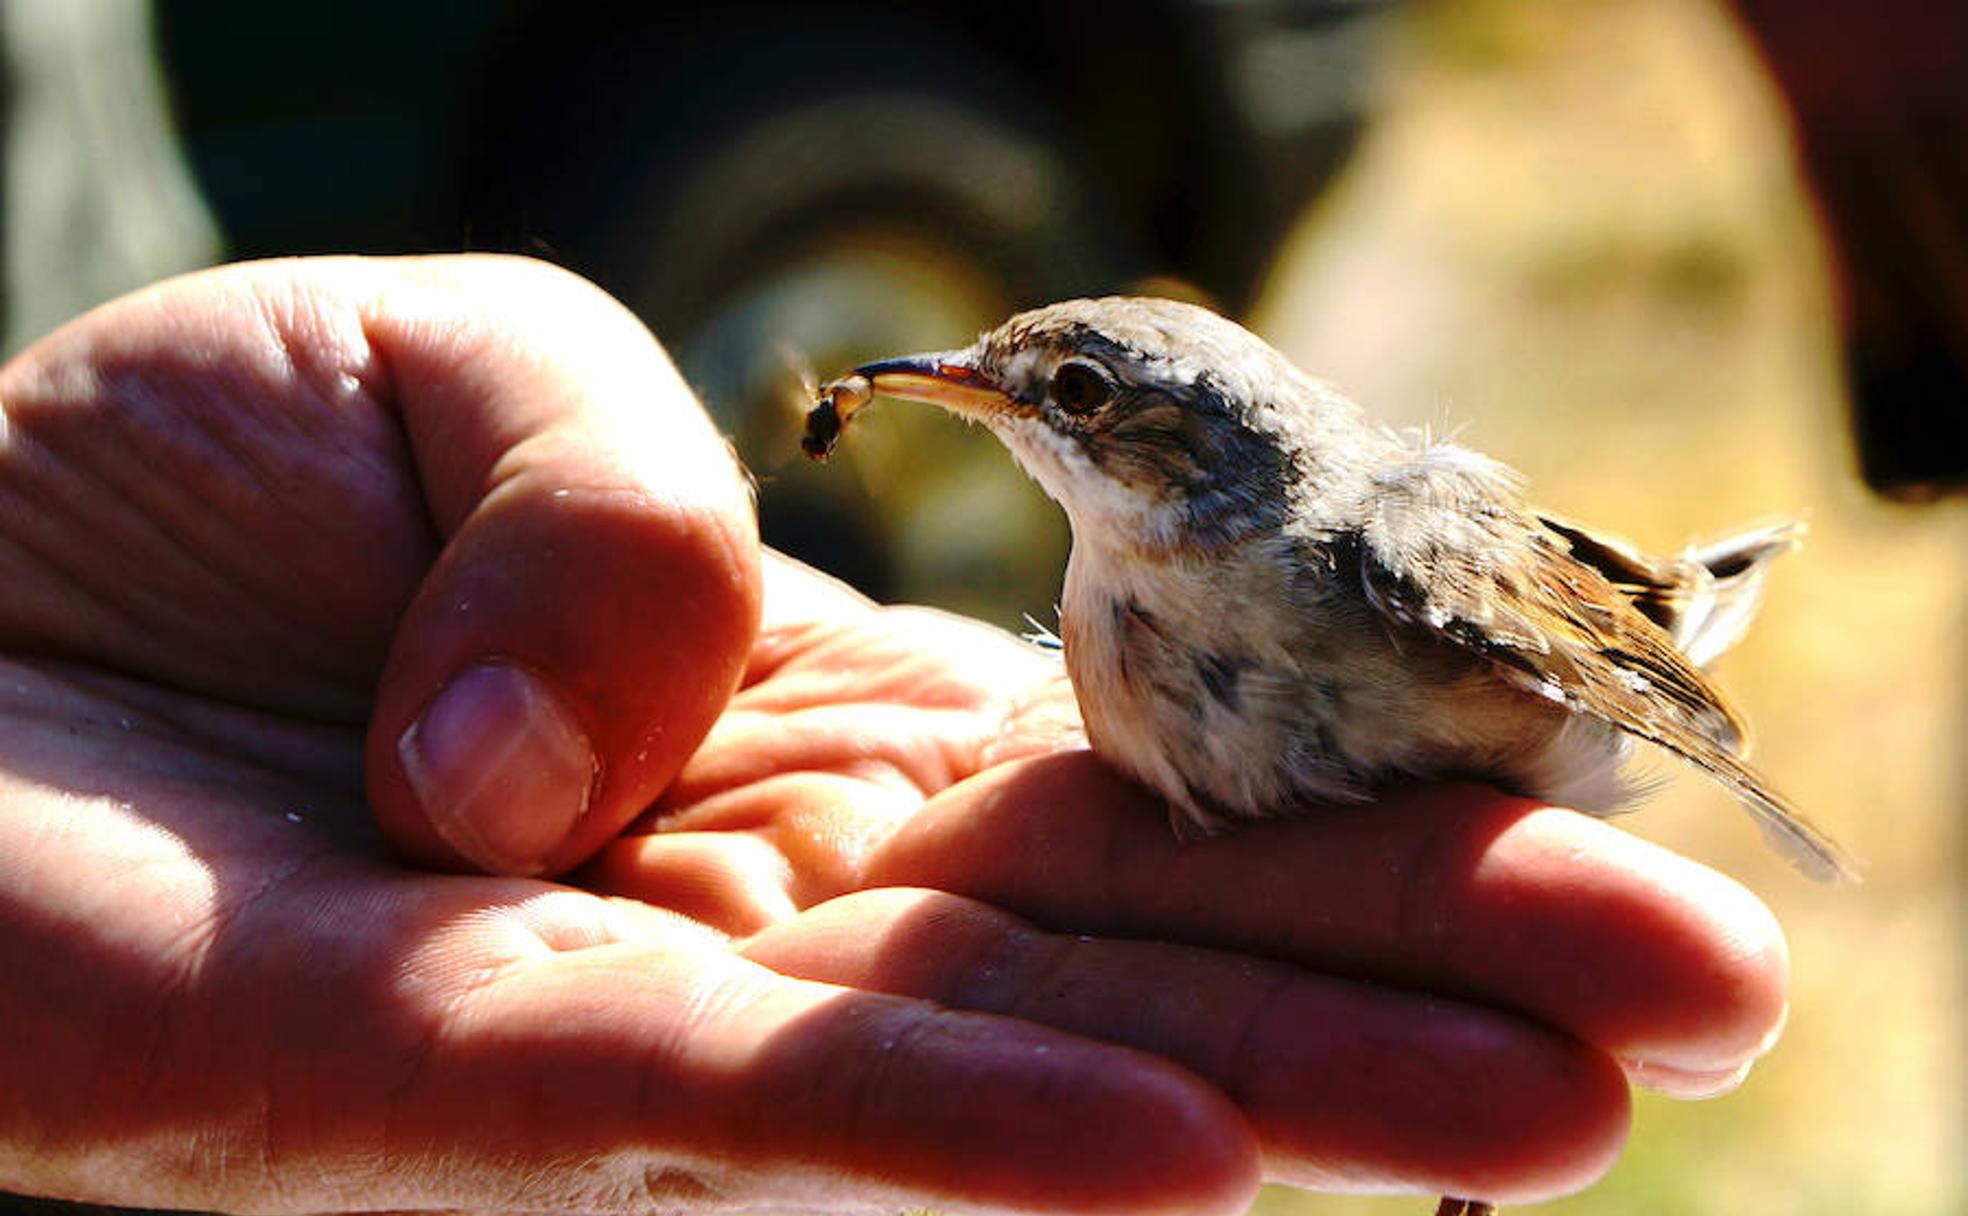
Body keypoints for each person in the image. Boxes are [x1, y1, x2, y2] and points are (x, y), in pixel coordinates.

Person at [0, 256, 1789, 1215]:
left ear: (1199, 450)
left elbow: (1610, 672)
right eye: (1000, 383)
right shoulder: (1104, 611)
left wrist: (1689, 684)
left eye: (1068, 402)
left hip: (1553, 655)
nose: (995, 409)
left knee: (1495, 973)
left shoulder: (1380, 557)